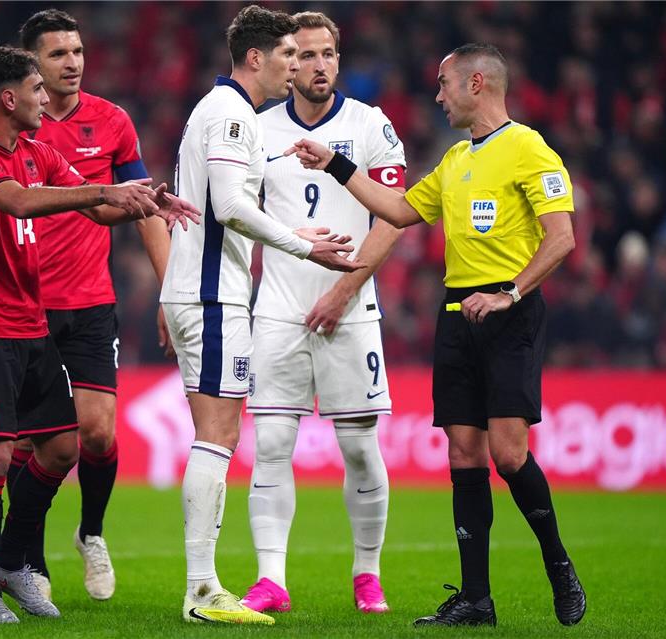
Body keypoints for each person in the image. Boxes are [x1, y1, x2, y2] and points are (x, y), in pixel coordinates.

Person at [287, 43, 586, 628]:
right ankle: (477, 598)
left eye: (444, 83)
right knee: (463, 451)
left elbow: (561, 237)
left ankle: (558, 565)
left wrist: (511, 294)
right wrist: (336, 165)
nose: (437, 95)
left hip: (508, 310)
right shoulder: (454, 160)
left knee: (508, 453)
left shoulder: (529, 148)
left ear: (477, 84)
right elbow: (397, 212)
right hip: (457, 312)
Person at [0, 45, 197, 623]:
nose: (44, 99)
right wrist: (105, 190)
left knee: (61, 446)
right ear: (9, 98)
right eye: (35, 89)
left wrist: (143, 202)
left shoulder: (36, 152)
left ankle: (13, 560)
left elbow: (97, 208)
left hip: (32, 321)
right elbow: (22, 205)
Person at [159, 4, 364, 625]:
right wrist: (306, 246)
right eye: (288, 55)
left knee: (212, 435)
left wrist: (295, 231)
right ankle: (201, 591)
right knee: (219, 437)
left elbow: (226, 208)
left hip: (200, 290)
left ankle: (203, 587)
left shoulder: (220, 112)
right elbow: (230, 207)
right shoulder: (231, 116)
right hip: (213, 296)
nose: (297, 64)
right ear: (257, 57)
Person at [239, 11, 405, 616]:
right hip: (279, 309)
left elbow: (394, 214)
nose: (318, 65)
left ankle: (367, 573)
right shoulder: (257, 130)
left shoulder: (371, 126)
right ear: (287, 63)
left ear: (339, 58)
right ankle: (271, 579)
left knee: (359, 447)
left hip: (352, 307)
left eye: (328, 54)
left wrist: (344, 290)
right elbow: (238, 216)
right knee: (274, 441)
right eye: (306, 55)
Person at [7, 8, 175, 602]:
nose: (73, 62)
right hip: (24, 306)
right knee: (31, 446)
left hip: (90, 301)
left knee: (97, 436)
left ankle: (91, 533)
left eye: (77, 51)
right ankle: (27, 560)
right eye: (57, 54)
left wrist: (169, 290)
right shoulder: (11, 127)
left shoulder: (112, 121)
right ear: (31, 63)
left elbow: (145, 207)